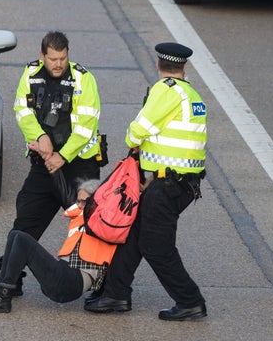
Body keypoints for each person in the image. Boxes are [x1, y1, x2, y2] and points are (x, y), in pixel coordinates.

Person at [85, 42, 208, 321]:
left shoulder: (165, 91)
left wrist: (135, 139)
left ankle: (190, 300)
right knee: (135, 236)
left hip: (167, 185)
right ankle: (115, 294)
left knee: (156, 246)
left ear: (158, 66)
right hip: (178, 184)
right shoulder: (192, 95)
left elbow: (136, 132)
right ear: (184, 67)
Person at [0, 31, 101, 297]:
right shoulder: (31, 74)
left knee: (92, 226)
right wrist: (40, 137)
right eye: (53, 59)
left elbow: (86, 127)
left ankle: (109, 287)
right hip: (44, 164)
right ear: (42, 56)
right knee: (26, 222)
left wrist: (62, 155)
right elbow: (22, 112)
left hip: (80, 166)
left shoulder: (84, 79)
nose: (58, 64)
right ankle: (10, 281)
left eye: (63, 58)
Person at [0, 179, 115, 313]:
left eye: (83, 202)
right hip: (65, 275)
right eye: (78, 201)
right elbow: (68, 198)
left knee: (23, 240)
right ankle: (1, 288)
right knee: (16, 234)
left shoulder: (103, 223)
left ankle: (1, 299)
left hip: (71, 283)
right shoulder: (82, 215)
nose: (79, 205)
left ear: (95, 202)